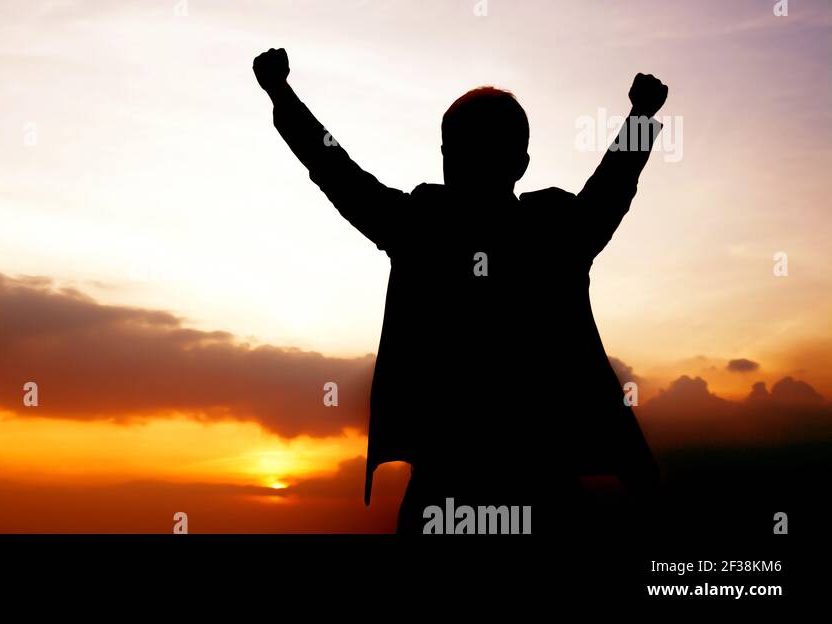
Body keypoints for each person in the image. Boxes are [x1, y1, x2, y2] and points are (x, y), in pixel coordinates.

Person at [253, 48, 664, 534]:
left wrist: (281, 93)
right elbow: (612, 187)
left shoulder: (422, 228)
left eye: (462, 149)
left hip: (450, 491)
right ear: (522, 163)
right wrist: (639, 117)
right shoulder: (554, 234)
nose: (457, 160)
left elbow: (335, 171)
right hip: (539, 489)